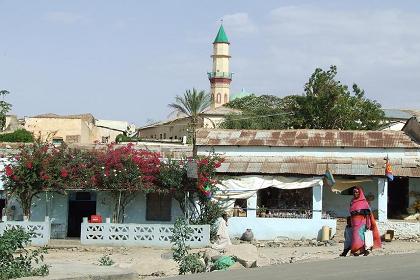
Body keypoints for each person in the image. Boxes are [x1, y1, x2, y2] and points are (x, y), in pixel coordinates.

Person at [349, 186, 381, 256]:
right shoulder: (352, 202)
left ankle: (362, 250)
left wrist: (367, 224)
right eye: (354, 192)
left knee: (362, 237)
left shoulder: (364, 203)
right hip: (355, 224)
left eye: (357, 192)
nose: (355, 193)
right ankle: (358, 250)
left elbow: (367, 214)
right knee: (355, 237)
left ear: (360, 193)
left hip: (363, 223)